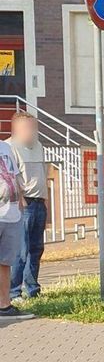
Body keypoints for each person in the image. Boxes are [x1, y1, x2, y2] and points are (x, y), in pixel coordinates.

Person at [6, 112, 47, 300]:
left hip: (39, 202)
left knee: (36, 248)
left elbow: (42, 175)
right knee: (21, 251)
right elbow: (10, 177)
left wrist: (46, 202)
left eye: (34, 127)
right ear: (16, 130)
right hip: (24, 204)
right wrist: (20, 200)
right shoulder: (9, 147)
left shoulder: (38, 146)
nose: (33, 132)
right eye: (28, 128)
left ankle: (32, 289)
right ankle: (14, 292)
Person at [0, 135, 26, 317]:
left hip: (11, 213)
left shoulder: (5, 148)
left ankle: (4, 305)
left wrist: (21, 202)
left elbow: (14, 176)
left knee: (5, 262)